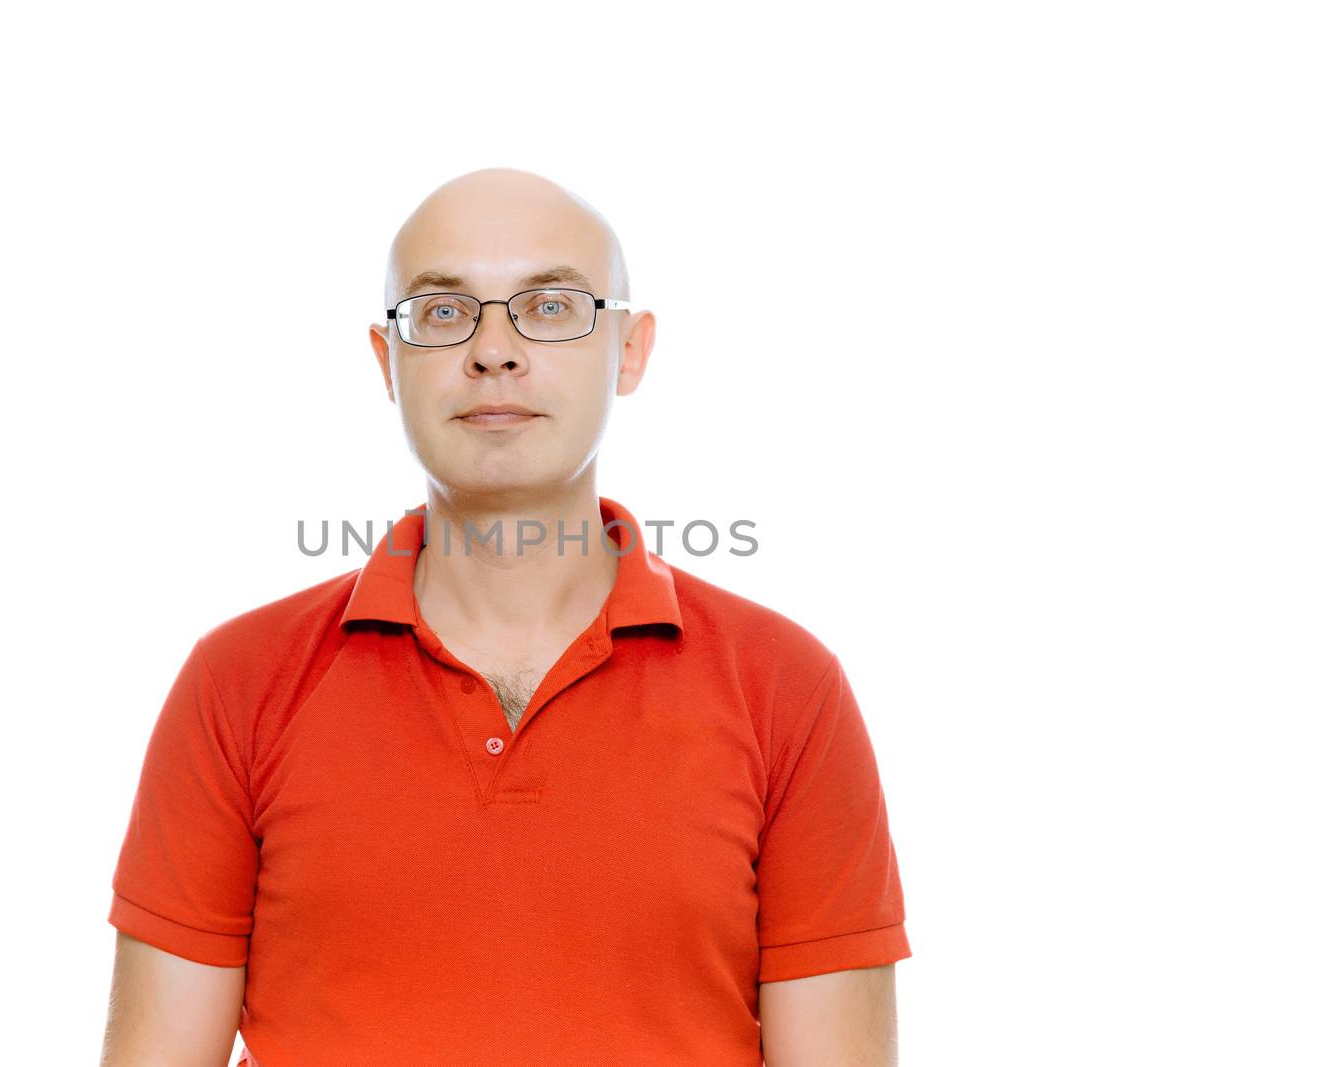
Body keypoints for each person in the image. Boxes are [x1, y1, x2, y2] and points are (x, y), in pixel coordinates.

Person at [99, 167, 911, 1066]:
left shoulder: (787, 687)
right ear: (387, 360)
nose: (495, 350)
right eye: (444, 313)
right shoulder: (238, 680)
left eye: (551, 305)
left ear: (630, 351)